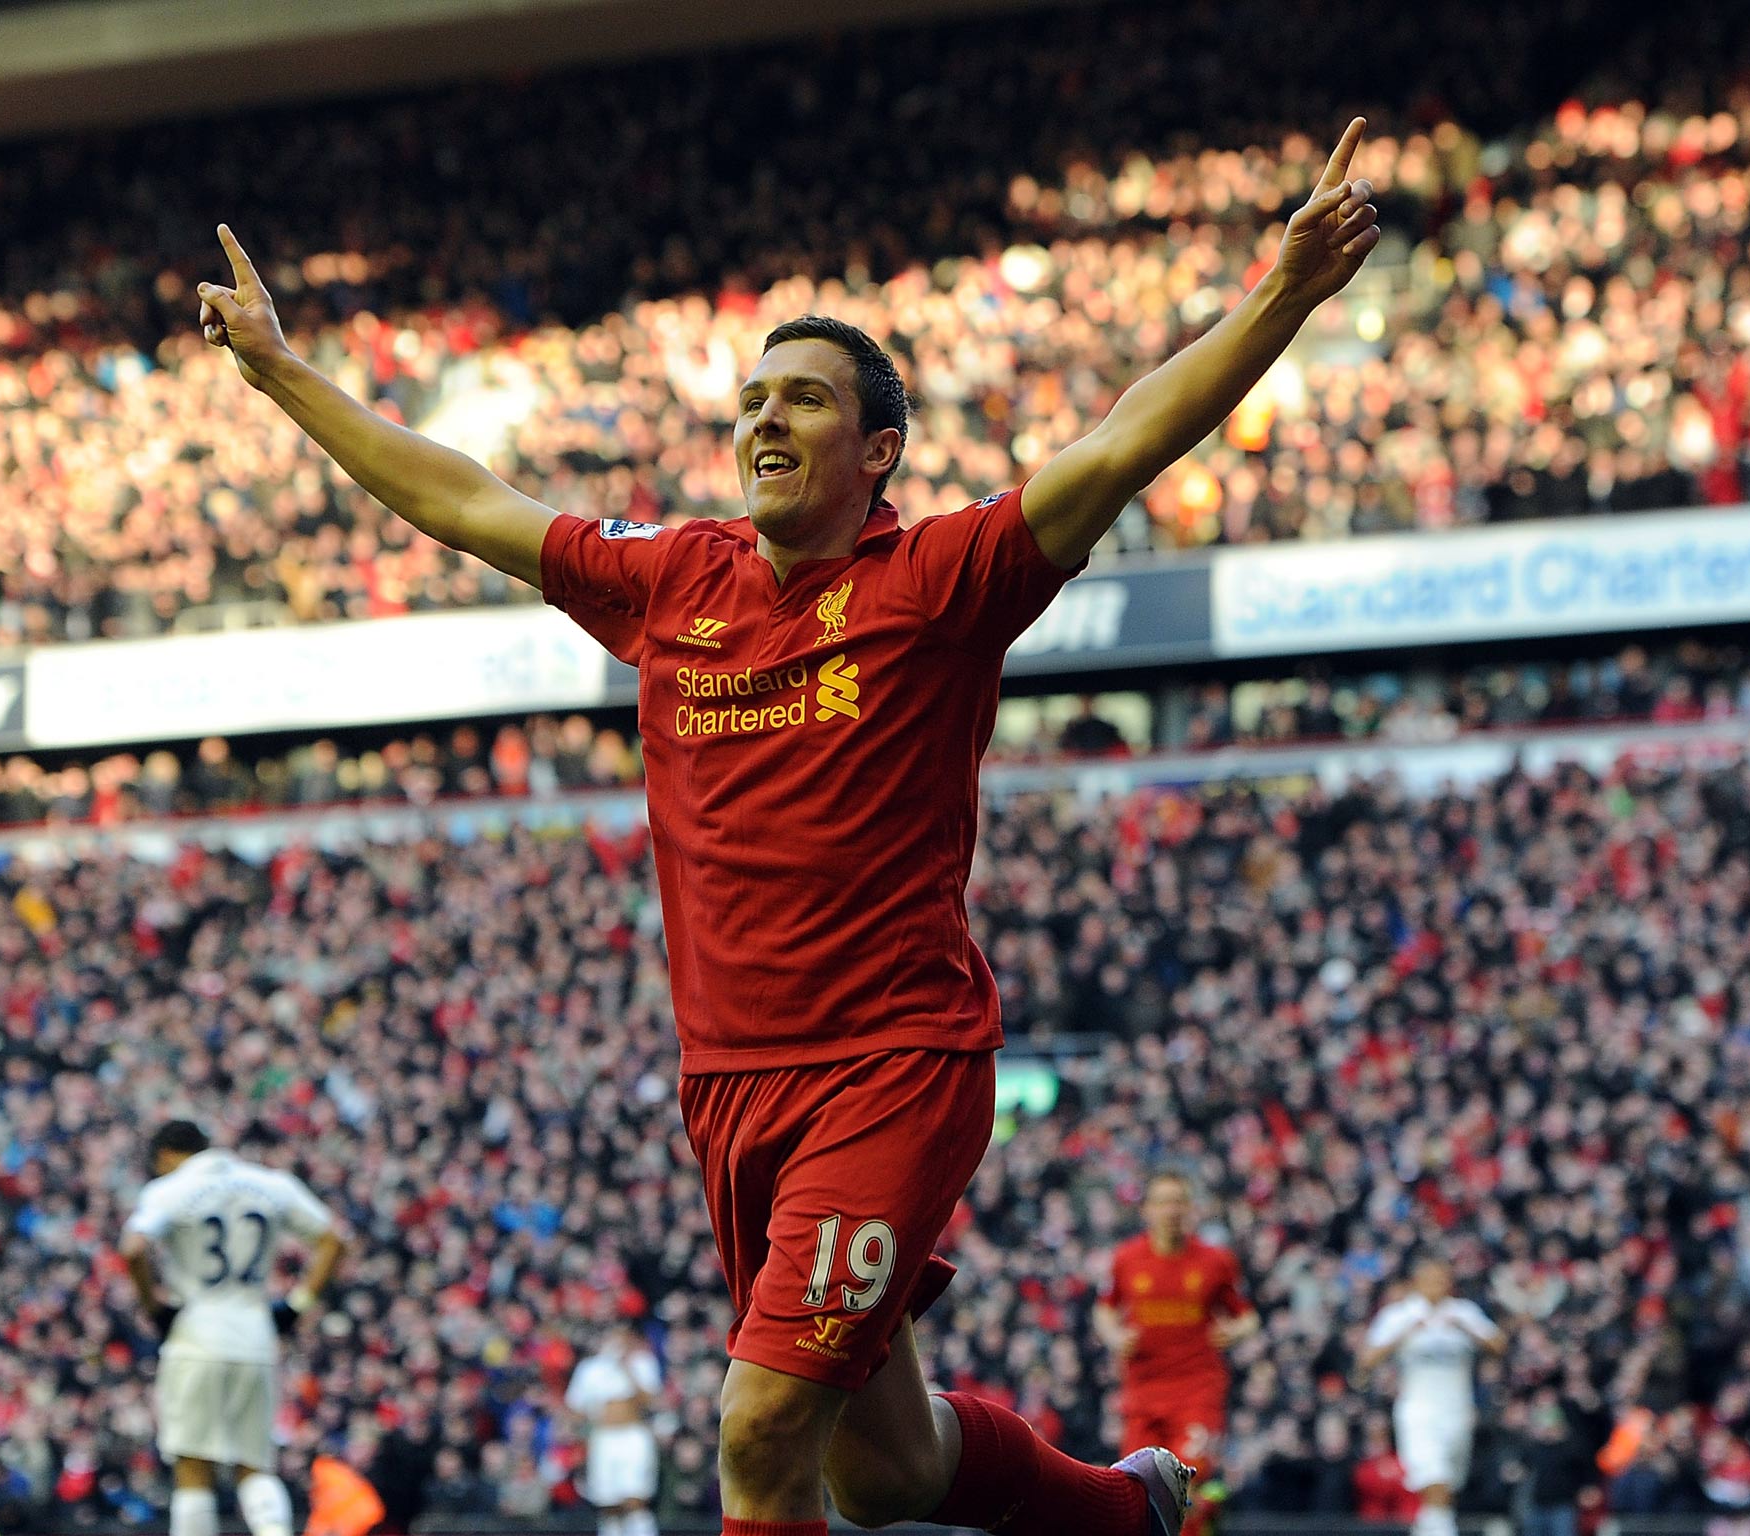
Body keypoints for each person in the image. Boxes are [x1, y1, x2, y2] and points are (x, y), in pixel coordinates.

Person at [195, 117, 1380, 1536]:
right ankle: (1129, 1517)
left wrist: (1284, 294)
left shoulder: (941, 579)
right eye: (753, 400)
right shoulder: (670, 584)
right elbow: (461, 497)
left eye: (805, 401)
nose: (764, 420)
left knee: (757, 1431)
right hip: (729, 1088)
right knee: (875, 1472)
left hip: (890, 1066)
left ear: (878, 452)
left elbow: (1126, 439)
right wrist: (279, 373)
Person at [120, 1122, 349, 1536]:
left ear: (166, 1155)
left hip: (196, 1334)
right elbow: (334, 1239)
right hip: (255, 1333)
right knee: (255, 1464)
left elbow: (133, 1248)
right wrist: (297, 1306)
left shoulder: (169, 1190)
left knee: (192, 1465)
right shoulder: (270, 1184)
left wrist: (154, 1307)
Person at [1095, 1173, 1259, 1535]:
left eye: (1179, 1201)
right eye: (1163, 1201)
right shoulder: (1127, 1259)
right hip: (1142, 1393)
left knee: (1186, 1483)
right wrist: (1112, 1333)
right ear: (1146, 1210)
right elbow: (1105, 1308)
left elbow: (1248, 1316)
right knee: (1133, 1489)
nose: (1172, 1210)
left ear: (1191, 1209)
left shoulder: (1215, 1262)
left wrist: (1234, 1331)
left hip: (1196, 1389)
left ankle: (1206, 1514)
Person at [1357, 1257, 1506, 1536]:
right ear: (1416, 1282)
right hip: (1418, 1409)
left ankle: (1429, 1530)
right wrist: (1404, 1334)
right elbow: (1367, 1359)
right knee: (1433, 1474)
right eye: (1431, 1280)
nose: (1437, 1286)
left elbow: (1499, 1345)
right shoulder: (1400, 1315)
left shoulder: (1463, 1312)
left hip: (1458, 1409)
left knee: (1447, 1482)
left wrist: (1467, 1329)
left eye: (1442, 1279)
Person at [566, 1326, 666, 1536]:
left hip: (633, 1437)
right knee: (607, 1502)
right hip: (603, 1439)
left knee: (635, 1498)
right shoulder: (589, 1368)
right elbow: (575, 1408)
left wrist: (627, 1368)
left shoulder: (642, 1362)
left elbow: (650, 1400)